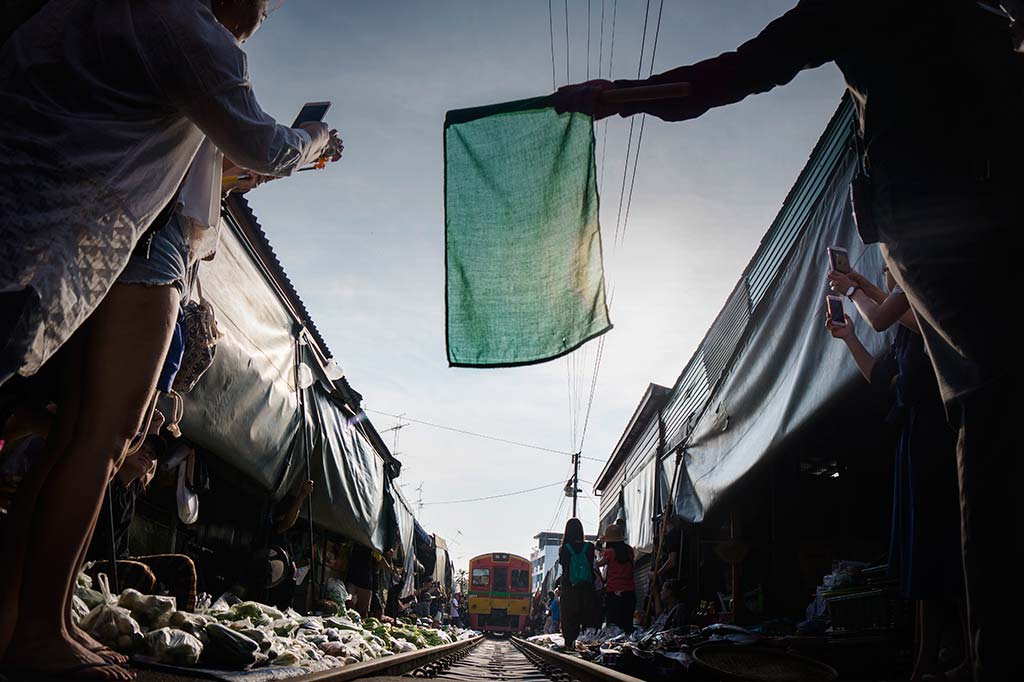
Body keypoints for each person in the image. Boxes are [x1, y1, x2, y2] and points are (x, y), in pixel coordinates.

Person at [554, 5, 1021, 678]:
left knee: (988, 400)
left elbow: (732, 75)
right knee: (993, 398)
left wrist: (615, 98)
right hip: (974, 183)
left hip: (936, 192)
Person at [0, 1, 343, 678]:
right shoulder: (187, 30)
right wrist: (316, 139)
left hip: (64, 226)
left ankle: (25, 623)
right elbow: (266, 146)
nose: (263, 14)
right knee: (102, 441)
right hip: (140, 247)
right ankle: (40, 634)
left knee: (71, 439)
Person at [827, 266, 966, 681]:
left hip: (940, 439)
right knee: (924, 554)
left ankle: (974, 656)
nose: (886, 270)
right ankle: (925, 660)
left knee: (952, 551)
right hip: (915, 441)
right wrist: (850, 336)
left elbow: (886, 314)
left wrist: (853, 288)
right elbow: (880, 378)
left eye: (890, 268)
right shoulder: (905, 333)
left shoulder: (929, 307)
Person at [85, 434, 199, 616]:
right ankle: (139, 625)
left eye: (151, 454)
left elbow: (150, 472)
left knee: (184, 565)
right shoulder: (107, 477)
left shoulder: (133, 487)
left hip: (120, 560)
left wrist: (156, 427)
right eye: (141, 448)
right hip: (90, 566)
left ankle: (183, 624)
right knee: (142, 575)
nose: (147, 455)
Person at [558, 518, 596, 651]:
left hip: (570, 588)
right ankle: (585, 642)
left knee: (569, 617)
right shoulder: (590, 547)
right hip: (587, 588)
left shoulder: (564, 549)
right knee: (586, 615)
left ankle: (569, 642)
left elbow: (564, 565)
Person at [596, 521, 635, 633]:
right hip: (629, 591)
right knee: (627, 624)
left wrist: (599, 547)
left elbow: (599, 563)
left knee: (613, 625)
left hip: (613, 591)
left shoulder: (609, 552)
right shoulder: (629, 550)